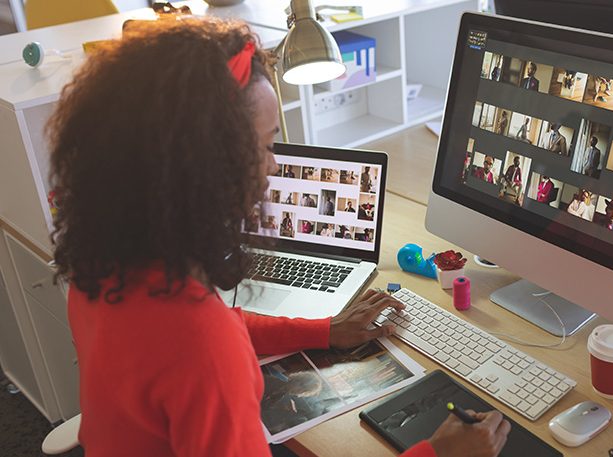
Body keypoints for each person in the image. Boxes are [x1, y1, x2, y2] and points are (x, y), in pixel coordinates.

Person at [47, 19, 511, 457]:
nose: (273, 167)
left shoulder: (103, 266)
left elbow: (213, 327)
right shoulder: (203, 347)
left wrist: (325, 330)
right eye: (266, 145)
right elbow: (204, 340)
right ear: (207, 166)